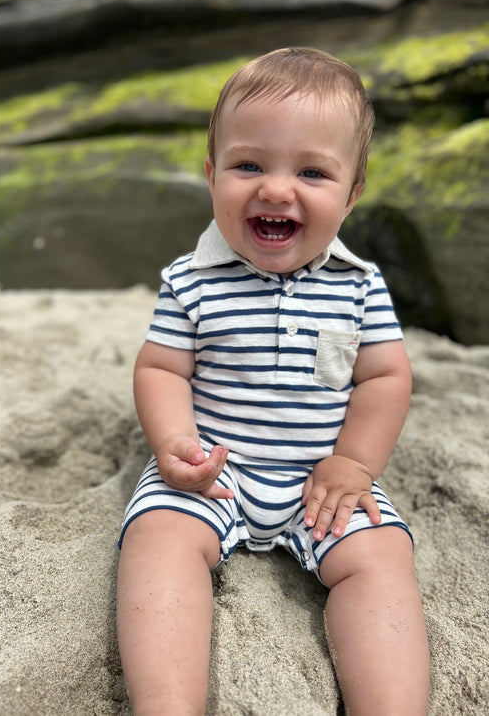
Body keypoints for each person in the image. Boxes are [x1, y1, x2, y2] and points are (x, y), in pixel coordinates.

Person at [116, 47, 430, 715]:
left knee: (380, 555)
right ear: (211, 175)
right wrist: (175, 441)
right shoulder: (192, 280)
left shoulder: (359, 286)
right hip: (214, 468)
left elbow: (384, 377)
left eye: (312, 171)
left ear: (351, 194)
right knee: (158, 539)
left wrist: (354, 462)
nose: (276, 189)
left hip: (322, 477)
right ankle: (166, 705)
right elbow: (161, 365)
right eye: (249, 164)